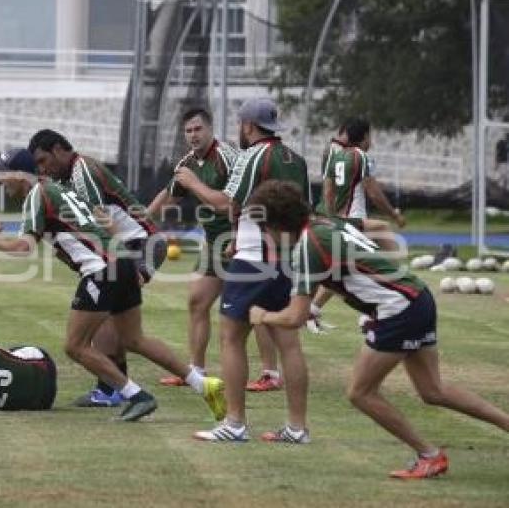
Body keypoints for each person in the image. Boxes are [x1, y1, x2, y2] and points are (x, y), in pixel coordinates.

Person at [247, 180, 509, 479]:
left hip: (398, 310)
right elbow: (375, 232)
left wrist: (263, 315)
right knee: (433, 391)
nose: (265, 234)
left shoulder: (307, 245)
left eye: (265, 227)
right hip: (417, 296)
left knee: (361, 393)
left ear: (278, 224)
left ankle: (430, 455)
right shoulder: (326, 223)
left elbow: (294, 317)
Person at [0, 148, 225, 422]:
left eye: (2, 172)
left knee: (75, 346)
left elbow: (24, 247)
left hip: (101, 270)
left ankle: (137, 396)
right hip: (123, 263)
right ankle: (204, 385)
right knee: (134, 339)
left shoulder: (38, 194)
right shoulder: (53, 189)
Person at [174, 97, 312, 444]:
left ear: (248, 126)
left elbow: (225, 202)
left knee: (231, 338)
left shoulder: (252, 156)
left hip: (253, 259)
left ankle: (234, 424)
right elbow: (306, 213)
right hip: (288, 259)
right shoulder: (295, 159)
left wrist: (191, 183)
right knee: (290, 344)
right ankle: (297, 428)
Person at [26, 129, 167, 407]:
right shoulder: (68, 174)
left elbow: (99, 220)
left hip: (139, 245)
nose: (43, 169)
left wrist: (114, 258)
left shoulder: (82, 171)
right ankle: (118, 385)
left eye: (44, 161)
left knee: (108, 312)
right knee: (120, 322)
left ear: (57, 149)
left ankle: (112, 387)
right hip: (132, 245)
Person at [147, 107, 282, 392]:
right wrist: (143, 219)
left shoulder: (228, 157)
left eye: (198, 129)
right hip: (213, 243)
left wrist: (239, 237)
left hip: (241, 241)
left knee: (254, 310)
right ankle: (195, 371)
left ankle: (271, 373)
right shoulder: (187, 163)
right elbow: (170, 196)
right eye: (188, 131)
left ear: (210, 130)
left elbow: (236, 199)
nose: (193, 135)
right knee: (197, 301)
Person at [311, 119, 405, 328]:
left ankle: (314, 309)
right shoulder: (361, 156)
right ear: (364, 137)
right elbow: (373, 192)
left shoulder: (336, 156)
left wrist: (330, 217)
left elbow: (327, 190)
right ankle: (376, 310)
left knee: (345, 269)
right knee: (383, 248)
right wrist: (394, 215)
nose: (371, 140)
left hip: (337, 219)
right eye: (370, 136)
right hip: (354, 219)